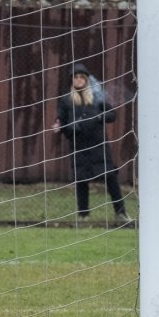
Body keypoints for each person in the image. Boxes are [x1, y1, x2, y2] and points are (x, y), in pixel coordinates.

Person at [52, 62, 130, 226]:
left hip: (98, 145)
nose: (79, 80)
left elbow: (111, 115)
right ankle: (83, 216)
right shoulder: (66, 100)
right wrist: (65, 127)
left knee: (110, 177)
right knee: (81, 181)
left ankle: (121, 213)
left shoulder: (97, 96)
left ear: (87, 79)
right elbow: (60, 121)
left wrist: (100, 117)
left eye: (82, 77)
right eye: (76, 77)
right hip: (78, 146)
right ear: (71, 80)